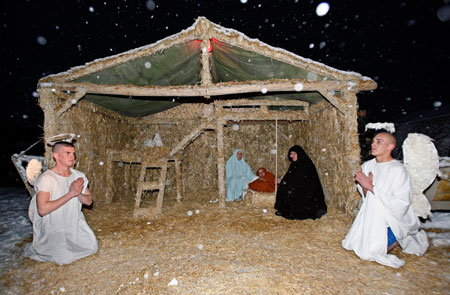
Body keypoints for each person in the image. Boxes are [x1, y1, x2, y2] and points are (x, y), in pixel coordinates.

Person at [342, 132, 429, 268]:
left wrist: (371, 186)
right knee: (353, 245)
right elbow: (366, 197)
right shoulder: (368, 166)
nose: (373, 144)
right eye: (373, 141)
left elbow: (401, 203)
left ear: (390, 147)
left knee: (372, 252)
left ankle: (400, 236)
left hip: (393, 218)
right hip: (373, 215)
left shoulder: (398, 170)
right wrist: (366, 187)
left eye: (379, 142)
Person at [25, 141, 98, 265]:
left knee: (92, 246)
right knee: (64, 257)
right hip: (53, 227)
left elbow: (89, 201)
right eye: (68, 153)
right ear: (55, 156)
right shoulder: (47, 178)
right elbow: (42, 210)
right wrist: (70, 194)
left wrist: (78, 194)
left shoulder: (78, 175)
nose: (72, 157)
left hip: (73, 224)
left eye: (73, 153)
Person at [274, 145, 327, 220]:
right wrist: (282, 181)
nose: (292, 156)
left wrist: (287, 183)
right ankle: (284, 209)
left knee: (292, 191)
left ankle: (294, 211)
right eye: (291, 154)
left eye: (294, 154)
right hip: (297, 187)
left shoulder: (306, 164)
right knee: (283, 188)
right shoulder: (293, 165)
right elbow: (289, 177)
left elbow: (303, 181)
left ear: (299, 153)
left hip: (308, 191)